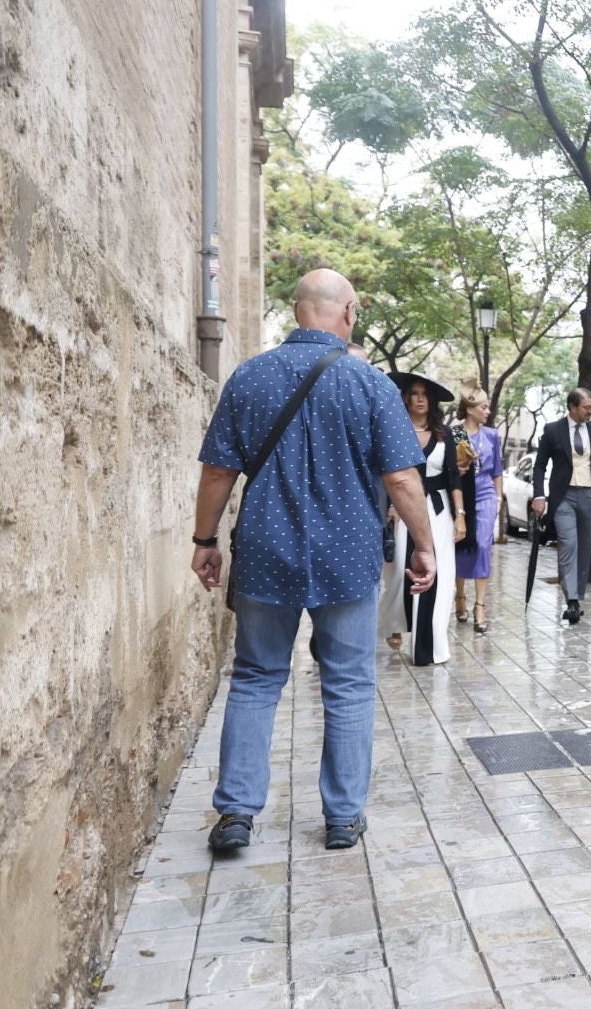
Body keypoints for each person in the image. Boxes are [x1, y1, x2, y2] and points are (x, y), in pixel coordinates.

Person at [191, 269, 435, 853]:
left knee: (254, 678)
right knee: (349, 685)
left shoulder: (248, 377)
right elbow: (401, 477)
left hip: (264, 551)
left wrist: (205, 541)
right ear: (347, 313)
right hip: (347, 557)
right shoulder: (369, 383)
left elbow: (219, 471)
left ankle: (236, 815)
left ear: (297, 311)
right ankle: (344, 817)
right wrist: (425, 545)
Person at [379, 374, 465, 665]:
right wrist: (391, 505)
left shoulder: (445, 435)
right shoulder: (395, 430)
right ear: (405, 398)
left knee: (440, 575)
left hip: (439, 512)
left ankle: (432, 644)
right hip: (404, 511)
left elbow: (454, 476)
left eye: (424, 395)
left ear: (432, 402)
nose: (419, 399)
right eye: (414, 393)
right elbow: (389, 473)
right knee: (399, 572)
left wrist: (460, 516)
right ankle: (395, 623)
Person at [531, 389, 591, 624]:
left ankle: (578, 595)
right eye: (587, 407)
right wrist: (539, 495)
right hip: (564, 496)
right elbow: (540, 466)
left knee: (585, 548)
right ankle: (572, 601)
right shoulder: (552, 430)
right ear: (572, 407)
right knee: (568, 545)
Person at [454, 389, 504, 633]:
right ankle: (460, 596)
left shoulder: (492, 435)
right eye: (483, 407)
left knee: (483, 546)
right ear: (470, 408)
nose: (488, 411)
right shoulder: (453, 434)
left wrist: (498, 497)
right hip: (461, 493)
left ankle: (480, 606)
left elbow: (497, 471)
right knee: (461, 545)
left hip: (485, 494)